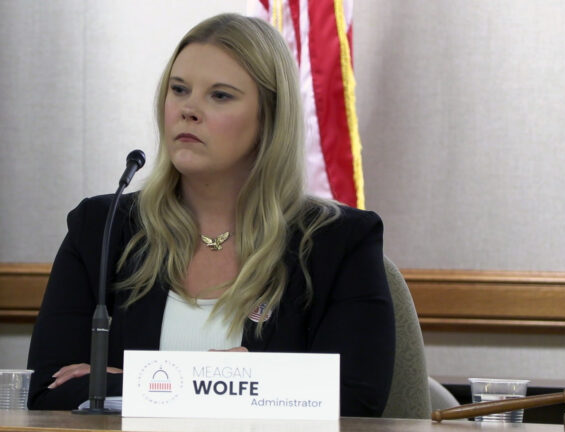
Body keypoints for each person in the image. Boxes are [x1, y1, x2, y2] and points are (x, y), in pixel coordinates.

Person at [27, 13, 395, 417]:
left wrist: (139, 381)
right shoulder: (102, 227)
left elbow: (354, 401)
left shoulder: (338, 241)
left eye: (220, 95)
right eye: (179, 90)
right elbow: (48, 392)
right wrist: (236, 380)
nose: (188, 110)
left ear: (268, 117)